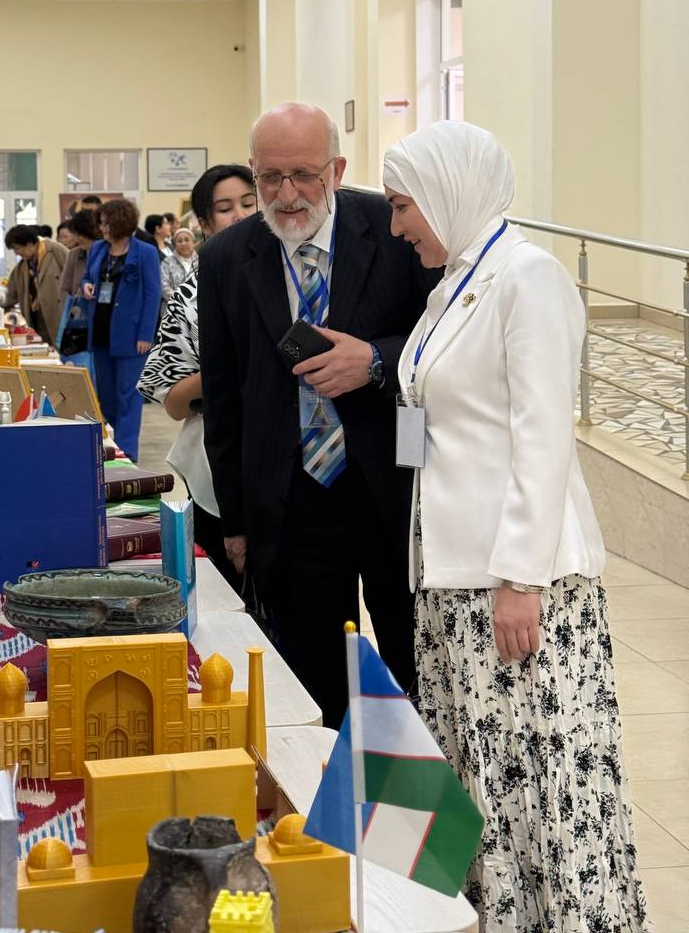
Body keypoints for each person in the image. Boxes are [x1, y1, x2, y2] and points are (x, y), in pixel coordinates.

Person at [383, 121, 648, 931]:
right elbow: (421, 413)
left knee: (539, 779)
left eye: (403, 207)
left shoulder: (526, 278)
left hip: (513, 585)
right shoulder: (450, 287)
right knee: (479, 779)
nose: (397, 227)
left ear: (446, 193)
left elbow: (544, 438)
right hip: (446, 576)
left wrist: (520, 579)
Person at [199, 103, 435, 729]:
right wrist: (236, 520)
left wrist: (375, 361)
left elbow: (440, 339)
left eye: (304, 174)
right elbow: (223, 397)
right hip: (290, 499)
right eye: (269, 178)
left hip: (391, 487)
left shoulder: (391, 229)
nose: (286, 194)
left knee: (414, 670)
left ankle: (416, 808)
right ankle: (328, 815)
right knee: (314, 686)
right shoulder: (226, 257)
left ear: (336, 168)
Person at [139, 165, 258, 587]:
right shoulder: (191, 294)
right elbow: (171, 402)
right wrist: (230, 368)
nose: (241, 216)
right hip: (214, 459)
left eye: (249, 203)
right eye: (225, 209)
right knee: (229, 584)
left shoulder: (291, 276)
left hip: (289, 460)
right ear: (205, 224)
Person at [82, 198, 161, 461]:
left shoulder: (145, 252)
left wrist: (145, 335)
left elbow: (153, 295)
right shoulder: (97, 249)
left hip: (131, 336)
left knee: (129, 396)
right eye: (101, 223)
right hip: (101, 332)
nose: (103, 228)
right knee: (106, 397)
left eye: (106, 223)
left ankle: (127, 454)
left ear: (121, 223)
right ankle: (116, 443)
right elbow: (86, 278)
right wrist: (86, 286)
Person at [4, 223, 68, 343]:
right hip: (37, 319)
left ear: (29, 243)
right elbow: (10, 294)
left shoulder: (55, 250)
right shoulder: (22, 266)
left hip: (59, 315)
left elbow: (74, 276)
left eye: (17, 248)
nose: (17, 253)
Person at [60, 208, 100, 299]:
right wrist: (74, 309)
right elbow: (64, 288)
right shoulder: (74, 254)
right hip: (78, 310)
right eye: (75, 234)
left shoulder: (109, 253)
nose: (77, 239)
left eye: (80, 235)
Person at [160, 226, 198, 300]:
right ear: (175, 244)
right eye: (179, 241)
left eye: (187, 240)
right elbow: (164, 287)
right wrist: (181, 301)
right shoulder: (167, 262)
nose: (183, 244)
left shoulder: (201, 261)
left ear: (193, 242)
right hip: (174, 306)